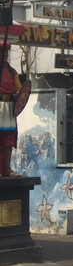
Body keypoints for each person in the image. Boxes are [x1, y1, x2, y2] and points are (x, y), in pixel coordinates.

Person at [0, 44, 21, 177]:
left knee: (8, 139)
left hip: (8, 108)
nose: (4, 56)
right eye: (2, 53)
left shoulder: (12, 72)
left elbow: (19, 89)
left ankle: (7, 169)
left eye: (5, 53)